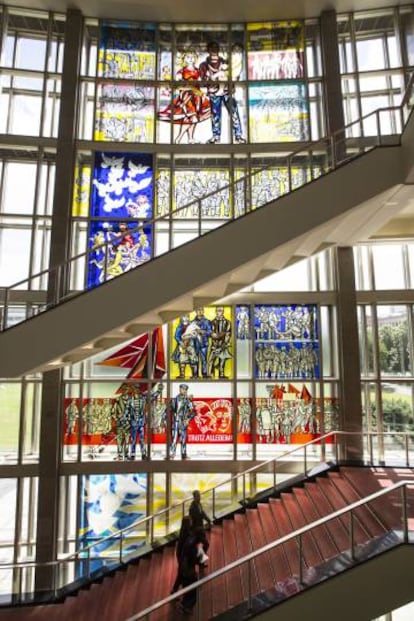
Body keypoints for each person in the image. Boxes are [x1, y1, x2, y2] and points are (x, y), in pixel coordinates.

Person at [198, 41, 246, 144]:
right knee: (215, 116)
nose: (214, 50)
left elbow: (233, 75)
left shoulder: (225, 62)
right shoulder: (204, 65)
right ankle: (216, 137)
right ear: (208, 50)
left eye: (216, 48)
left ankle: (238, 136)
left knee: (234, 113)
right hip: (214, 93)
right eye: (212, 48)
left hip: (227, 92)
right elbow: (203, 80)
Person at [169, 384, 196, 459]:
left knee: (183, 440)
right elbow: (169, 410)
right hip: (175, 422)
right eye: (181, 389)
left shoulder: (188, 401)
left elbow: (193, 412)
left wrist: (188, 419)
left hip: (183, 422)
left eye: (184, 389)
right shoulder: (174, 400)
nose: (182, 390)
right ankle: (171, 454)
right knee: (174, 439)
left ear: (186, 390)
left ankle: (183, 455)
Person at [171, 515, 193, 594]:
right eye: (190, 521)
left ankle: (175, 589)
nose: (191, 522)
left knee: (181, 573)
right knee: (180, 574)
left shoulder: (184, 531)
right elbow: (185, 546)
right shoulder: (185, 533)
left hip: (181, 555)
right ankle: (174, 590)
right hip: (182, 556)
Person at [209, 306, 232, 378]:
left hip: (223, 345)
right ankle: (211, 374)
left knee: (222, 360)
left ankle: (221, 374)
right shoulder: (212, 322)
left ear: (223, 312)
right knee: (211, 360)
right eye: (218, 310)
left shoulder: (227, 322)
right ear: (216, 311)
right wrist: (216, 337)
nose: (219, 312)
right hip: (214, 345)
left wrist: (225, 342)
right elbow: (211, 334)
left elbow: (228, 333)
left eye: (221, 310)